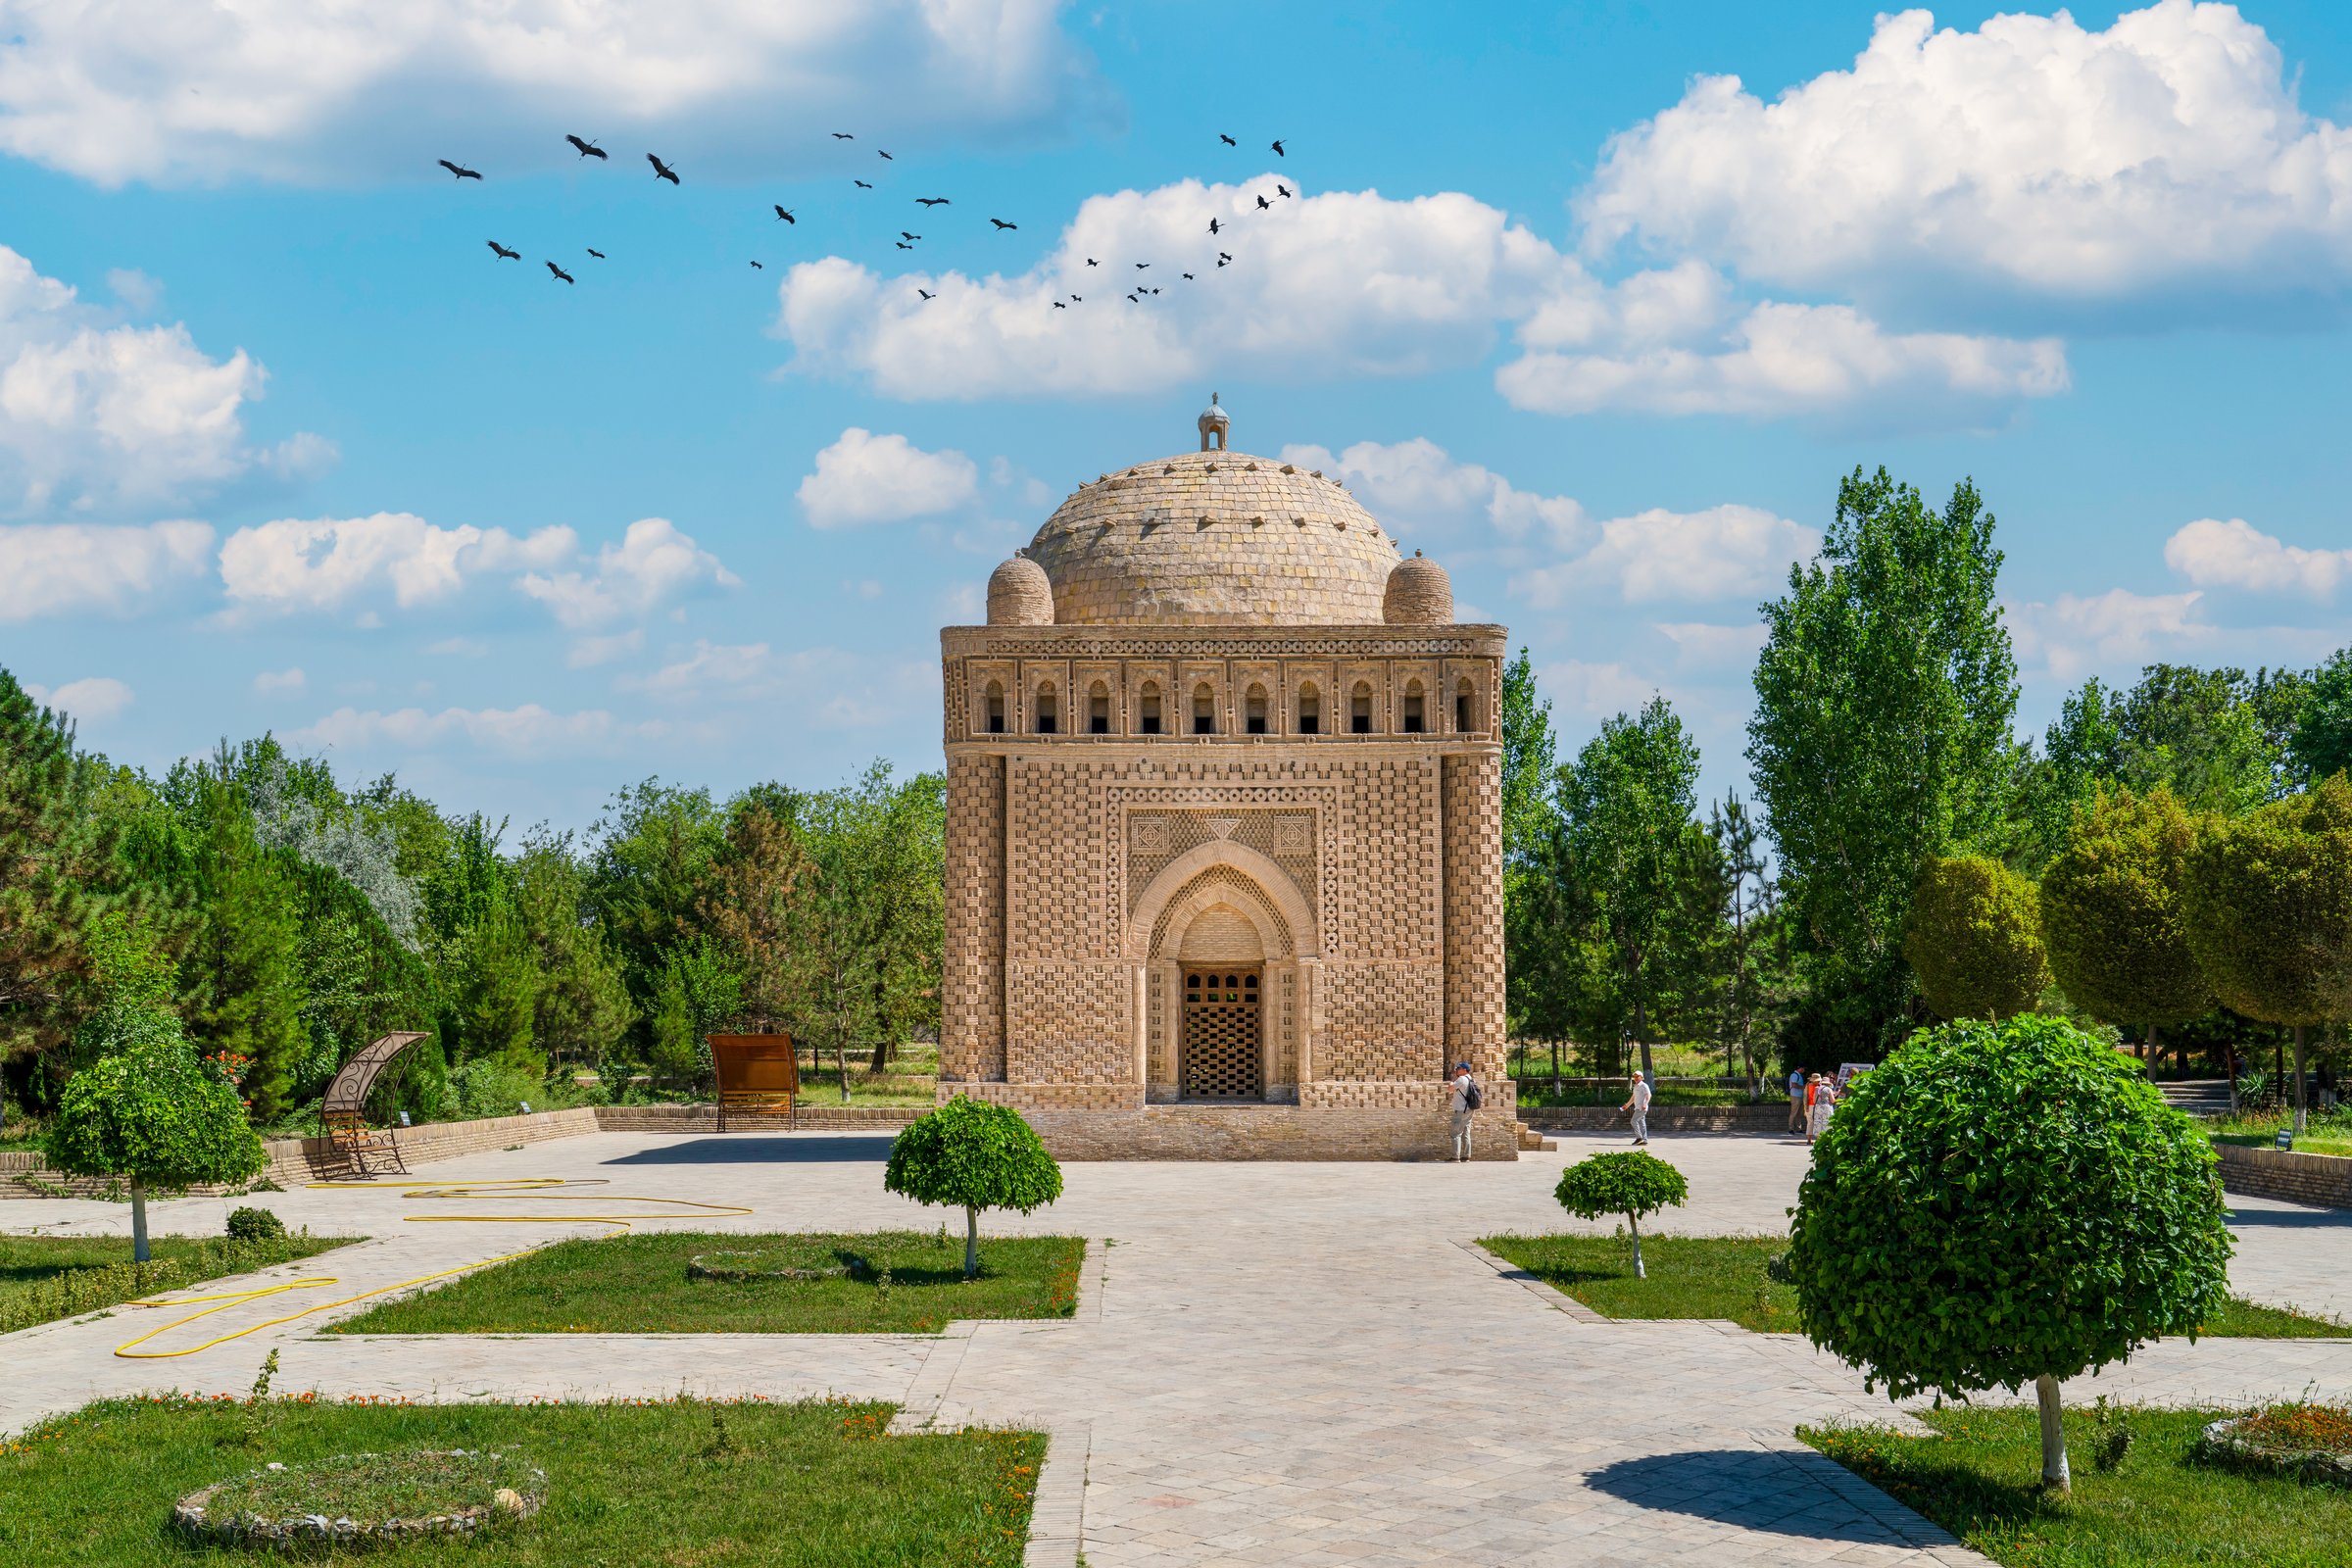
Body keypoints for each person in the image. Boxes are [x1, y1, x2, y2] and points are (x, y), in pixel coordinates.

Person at [1447, 1060, 1478, 1162]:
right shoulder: (1471, 1079)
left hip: (1461, 1110)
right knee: (1466, 1132)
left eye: (1458, 1068)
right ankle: (1466, 1156)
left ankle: (1455, 1157)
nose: (1456, 1070)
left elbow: (1450, 1089)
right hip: (1469, 1109)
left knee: (1455, 1133)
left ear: (1464, 1070)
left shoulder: (1462, 1079)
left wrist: (1452, 1081)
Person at [1621, 1068, 1651, 1146]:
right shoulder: (1636, 1086)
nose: (1635, 1078)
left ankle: (1639, 1138)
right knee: (1642, 1124)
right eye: (1634, 1076)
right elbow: (1633, 1097)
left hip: (1642, 1108)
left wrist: (1645, 1104)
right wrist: (1627, 1105)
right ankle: (1645, 1140)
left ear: (1641, 1077)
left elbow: (1649, 1095)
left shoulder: (1644, 1085)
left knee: (1633, 1121)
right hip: (1637, 1107)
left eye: (1637, 1076)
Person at [1787, 1065, 1806, 1136]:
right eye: (1803, 1068)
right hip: (1795, 1096)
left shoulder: (1799, 1075)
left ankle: (1798, 1128)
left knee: (1799, 1113)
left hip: (1799, 1096)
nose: (1804, 1070)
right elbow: (1794, 1085)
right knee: (1794, 1113)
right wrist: (1803, 1087)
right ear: (1800, 1068)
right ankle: (1790, 1129)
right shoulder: (1794, 1075)